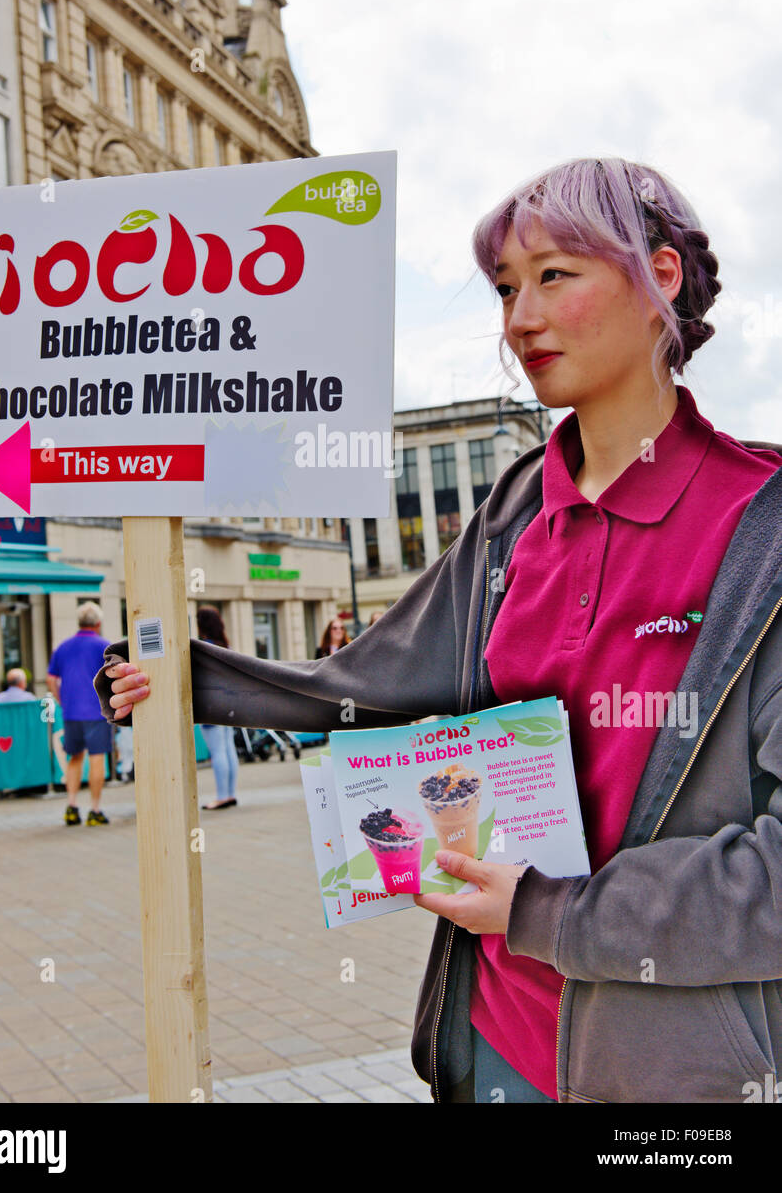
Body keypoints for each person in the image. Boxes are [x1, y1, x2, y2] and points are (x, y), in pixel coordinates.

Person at [93, 156, 782, 1103]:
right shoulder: (510, 512)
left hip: (677, 1081)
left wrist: (551, 911)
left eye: (553, 276)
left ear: (659, 277)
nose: (519, 319)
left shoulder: (763, 534)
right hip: (491, 1046)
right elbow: (374, 682)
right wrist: (186, 683)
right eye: (505, 288)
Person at [48, 601, 112, 826]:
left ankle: (72, 806)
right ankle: (95, 810)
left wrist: (61, 699)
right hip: (97, 711)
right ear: (98, 623)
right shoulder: (104, 646)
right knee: (97, 758)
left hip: (72, 711)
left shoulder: (63, 647)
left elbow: (51, 678)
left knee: (74, 757)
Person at [194, 606, 239, 810]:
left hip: (210, 706)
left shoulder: (203, 648)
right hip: (228, 704)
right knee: (228, 749)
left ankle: (221, 796)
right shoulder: (225, 646)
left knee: (218, 751)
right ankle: (230, 794)